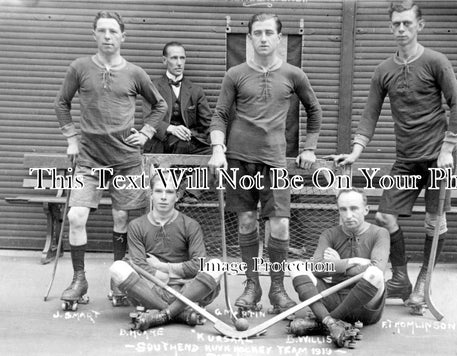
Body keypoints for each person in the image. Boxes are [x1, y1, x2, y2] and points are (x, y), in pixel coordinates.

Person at [329, 1, 457, 307]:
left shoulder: (436, 61)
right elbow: (370, 114)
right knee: (383, 215)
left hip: (437, 158)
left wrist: (447, 148)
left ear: (420, 26)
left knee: (435, 220)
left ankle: (423, 285)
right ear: (390, 27)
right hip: (406, 160)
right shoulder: (384, 70)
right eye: (396, 24)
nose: (401, 30)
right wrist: (355, 152)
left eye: (407, 23)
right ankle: (401, 279)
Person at [208, 13, 322, 314]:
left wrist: (310, 148)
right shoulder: (235, 73)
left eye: (268, 32)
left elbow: (315, 111)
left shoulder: (294, 74)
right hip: (239, 158)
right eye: (257, 32)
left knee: (281, 225)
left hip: (274, 161)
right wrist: (218, 148)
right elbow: (219, 114)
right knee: (246, 223)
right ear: (249, 38)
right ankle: (251, 285)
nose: (262, 37)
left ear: (278, 38)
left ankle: (277, 289)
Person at [54, 11, 167, 308]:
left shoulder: (135, 73)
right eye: (102, 31)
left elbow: (160, 105)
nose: (107, 36)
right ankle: (79, 280)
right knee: (76, 216)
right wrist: (71, 139)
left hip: (126, 159)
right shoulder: (79, 68)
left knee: (121, 217)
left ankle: (119, 281)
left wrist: (145, 133)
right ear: (94, 34)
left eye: (113, 31)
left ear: (122, 37)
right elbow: (61, 103)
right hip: (90, 160)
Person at [109, 172, 222, 330]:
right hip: (153, 289)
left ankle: (162, 314)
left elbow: (198, 264)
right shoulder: (136, 225)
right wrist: (162, 276)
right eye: (158, 191)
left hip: (188, 289)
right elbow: (138, 263)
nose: (163, 197)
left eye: (169, 192)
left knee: (216, 266)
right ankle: (180, 313)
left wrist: (163, 268)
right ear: (151, 194)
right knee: (118, 267)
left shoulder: (190, 225)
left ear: (177, 196)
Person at [288, 189, 389, 347]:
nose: (348, 215)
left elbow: (377, 267)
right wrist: (351, 262)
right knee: (296, 266)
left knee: (375, 274)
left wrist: (337, 265)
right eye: (343, 209)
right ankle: (332, 324)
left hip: (366, 307)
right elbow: (316, 267)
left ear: (366, 210)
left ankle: (324, 321)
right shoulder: (329, 234)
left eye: (354, 208)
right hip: (333, 299)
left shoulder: (380, 233)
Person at [143, 41, 212, 155]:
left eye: (182, 58)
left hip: (188, 143)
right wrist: (172, 129)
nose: (179, 63)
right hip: (161, 143)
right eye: (174, 58)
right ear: (164, 60)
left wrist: (217, 145)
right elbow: (148, 120)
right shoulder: (152, 88)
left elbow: (207, 123)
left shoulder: (196, 90)